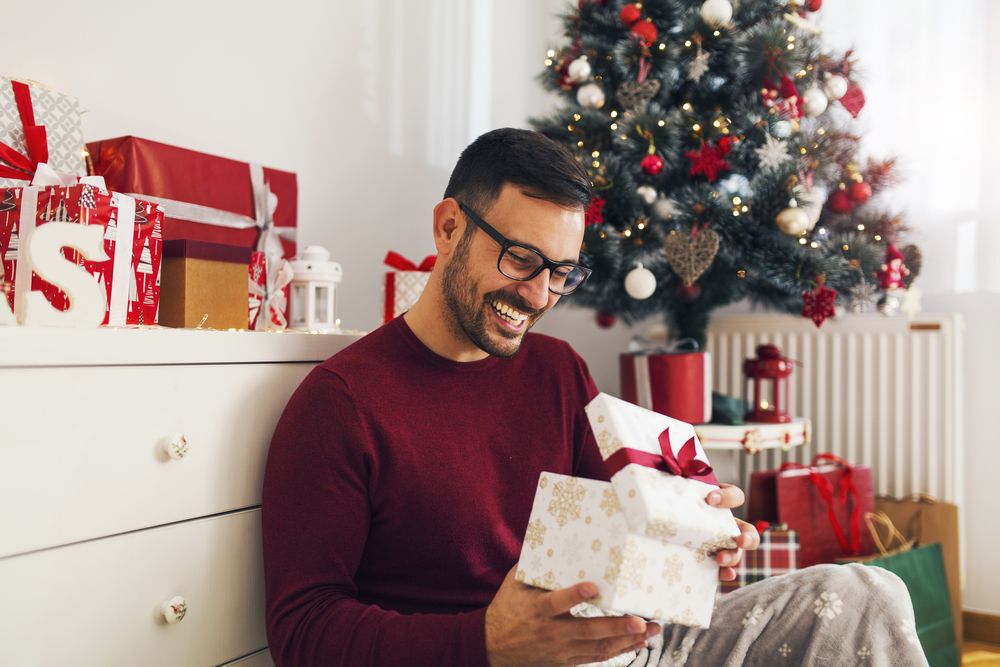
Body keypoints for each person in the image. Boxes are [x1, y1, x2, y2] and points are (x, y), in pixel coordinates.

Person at [262, 128, 927, 667]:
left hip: (631, 645)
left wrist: (701, 536)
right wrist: (487, 643)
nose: (538, 296)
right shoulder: (341, 404)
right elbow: (304, 631)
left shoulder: (556, 369)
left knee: (867, 591)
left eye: (561, 273)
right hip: (492, 659)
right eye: (521, 259)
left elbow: (626, 521)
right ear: (447, 228)